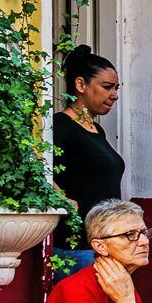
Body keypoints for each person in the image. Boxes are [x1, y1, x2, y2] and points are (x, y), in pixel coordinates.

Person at [52, 46, 126, 268]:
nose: (114, 95)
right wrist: (61, 198)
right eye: (107, 87)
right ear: (81, 85)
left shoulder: (97, 130)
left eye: (116, 88)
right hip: (77, 247)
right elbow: (39, 170)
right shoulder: (61, 126)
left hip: (105, 244)